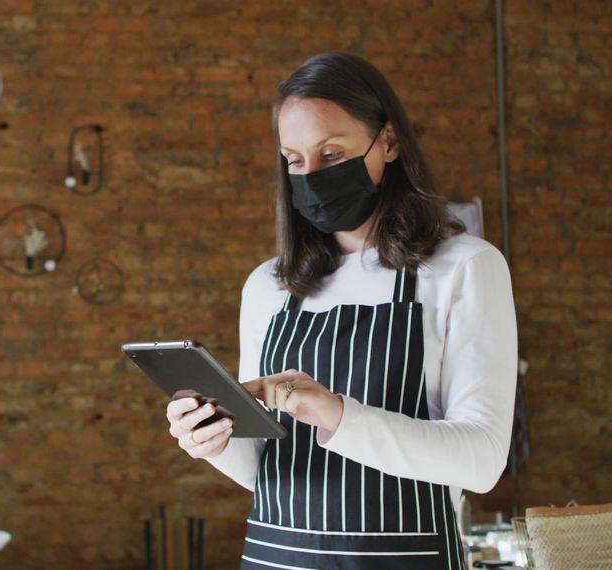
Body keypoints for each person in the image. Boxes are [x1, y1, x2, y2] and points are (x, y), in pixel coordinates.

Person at [165, 51, 518, 569]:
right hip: (278, 559)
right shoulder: (269, 285)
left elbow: (481, 461)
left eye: (331, 155)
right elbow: (269, 468)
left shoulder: (465, 267)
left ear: (389, 143)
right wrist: (213, 440)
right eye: (295, 160)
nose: (311, 175)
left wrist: (336, 414)